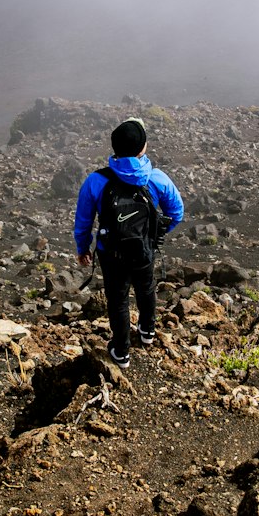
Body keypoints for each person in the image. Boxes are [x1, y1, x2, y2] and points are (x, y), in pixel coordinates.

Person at [73, 116, 184, 369]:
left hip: (110, 253)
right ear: (142, 147)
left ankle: (121, 351)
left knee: (118, 298)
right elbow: (176, 212)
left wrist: (82, 248)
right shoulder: (157, 179)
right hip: (144, 249)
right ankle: (147, 331)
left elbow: (83, 221)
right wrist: (155, 235)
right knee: (146, 288)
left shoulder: (96, 181)